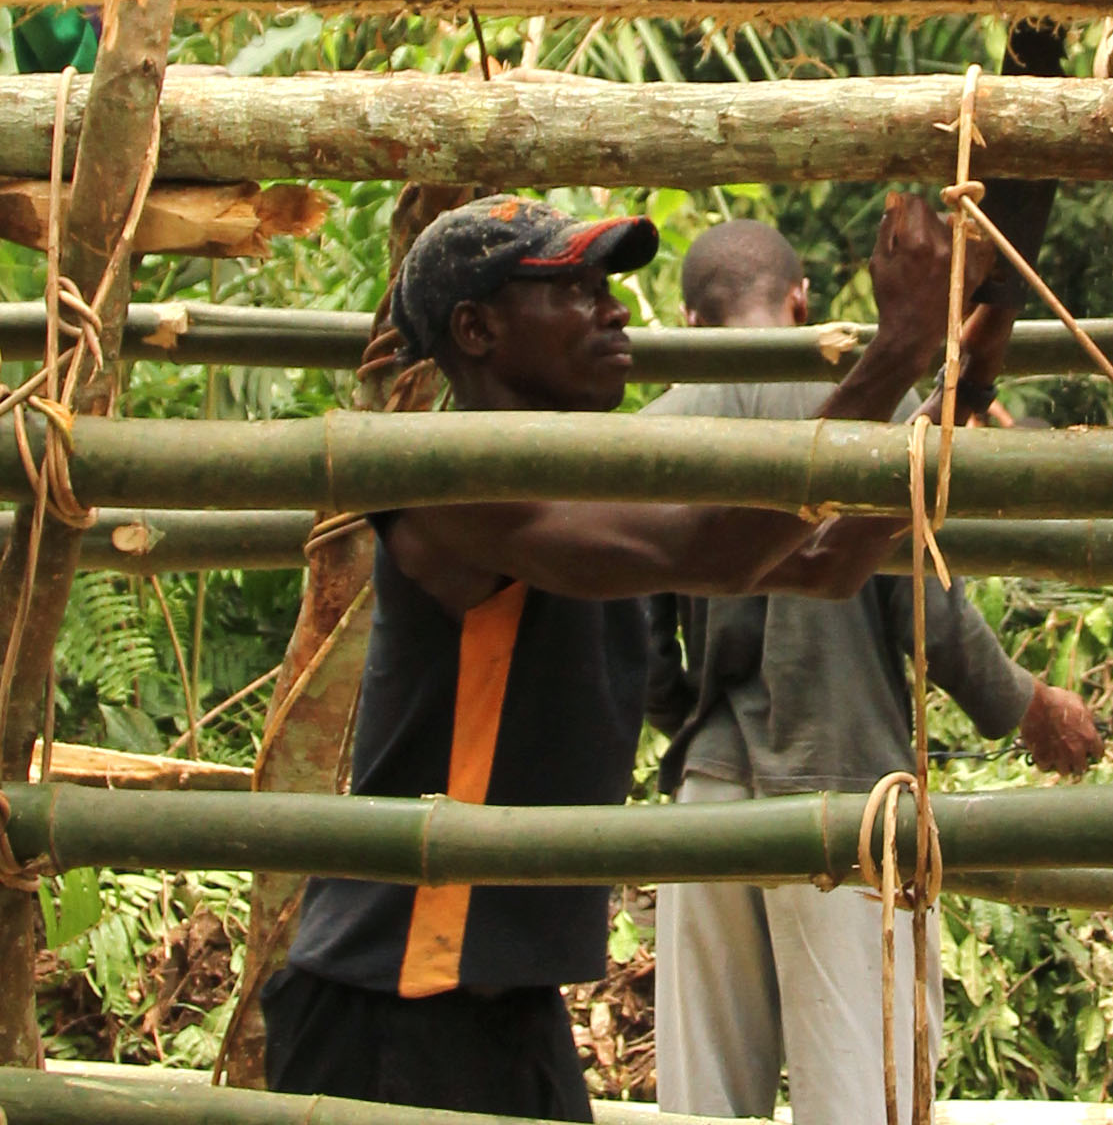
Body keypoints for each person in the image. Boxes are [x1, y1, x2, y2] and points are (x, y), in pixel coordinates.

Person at [264, 190, 989, 1123]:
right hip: (400, 995)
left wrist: (957, 372)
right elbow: (720, 549)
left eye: (609, 286)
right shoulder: (451, 481)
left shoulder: (585, 477)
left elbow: (825, 564)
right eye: (572, 288)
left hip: (503, 999)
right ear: (477, 330)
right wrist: (895, 351)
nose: (613, 310)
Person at [646, 218, 1103, 1125]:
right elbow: (922, 606)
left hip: (707, 799)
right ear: (803, 303)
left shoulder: (656, 430)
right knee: (864, 1087)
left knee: (704, 1099)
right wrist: (1025, 705)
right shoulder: (874, 415)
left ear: (688, 320)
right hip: (847, 795)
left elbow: (640, 655)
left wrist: (700, 724)